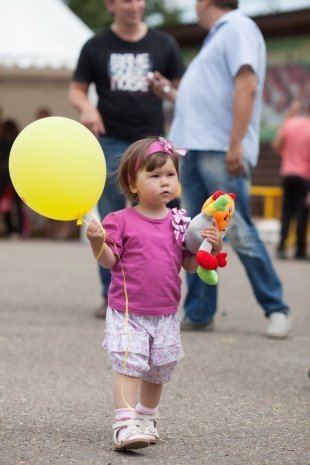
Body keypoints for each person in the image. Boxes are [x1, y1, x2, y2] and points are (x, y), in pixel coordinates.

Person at [149, 0, 291, 338]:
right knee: (194, 233)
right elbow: (206, 98)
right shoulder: (218, 36)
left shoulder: (237, 27)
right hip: (199, 146)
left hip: (219, 147)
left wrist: (237, 143)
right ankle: (199, 311)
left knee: (237, 230)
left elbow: (247, 84)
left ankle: (276, 308)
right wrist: (170, 93)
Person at [86, 136, 222, 450]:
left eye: (170, 175)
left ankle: (147, 417)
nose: (165, 182)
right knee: (129, 365)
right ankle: (124, 422)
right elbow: (110, 261)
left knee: (158, 371)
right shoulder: (119, 221)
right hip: (128, 313)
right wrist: (97, 242)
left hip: (166, 314)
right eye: (154, 175)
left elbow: (188, 264)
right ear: (132, 184)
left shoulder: (180, 222)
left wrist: (210, 247)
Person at [69, 0, 185, 319]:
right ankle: (111, 296)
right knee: (112, 218)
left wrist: (168, 92)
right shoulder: (96, 45)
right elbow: (76, 91)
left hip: (152, 146)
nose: (134, 5)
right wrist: (87, 108)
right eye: (126, 0)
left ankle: (158, 293)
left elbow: (183, 91)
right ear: (111, 5)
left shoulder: (165, 43)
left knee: (162, 216)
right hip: (111, 142)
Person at [272, 103, 310, 260]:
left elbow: (276, 145)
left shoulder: (290, 123)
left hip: (287, 173)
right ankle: (300, 250)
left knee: (287, 211)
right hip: (305, 176)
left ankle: (281, 247)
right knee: (303, 212)